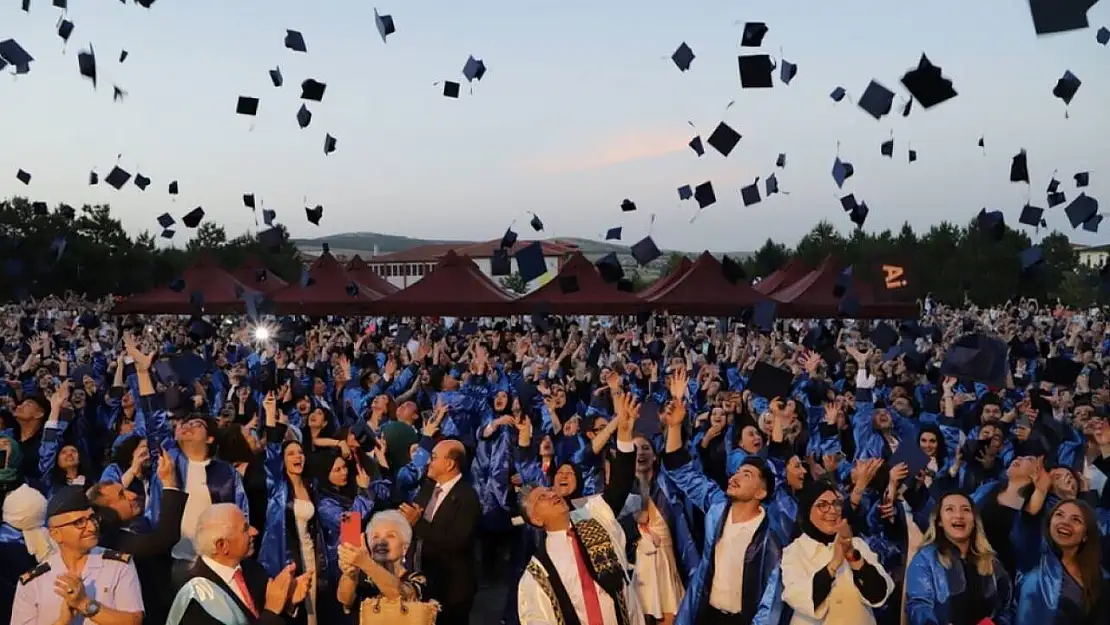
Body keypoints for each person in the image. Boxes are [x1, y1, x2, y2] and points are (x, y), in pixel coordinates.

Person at [659, 373, 783, 625]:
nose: (735, 477)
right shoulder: (717, 507)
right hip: (705, 614)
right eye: (736, 472)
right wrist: (674, 427)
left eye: (746, 474)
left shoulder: (771, 534)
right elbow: (681, 471)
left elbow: (771, 601)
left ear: (762, 492)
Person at [517, 389, 644, 625]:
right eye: (542, 497)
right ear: (535, 519)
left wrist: (624, 434)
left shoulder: (591, 512)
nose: (552, 494)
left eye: (549, 491)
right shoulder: (536, 575)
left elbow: (620, 486)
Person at [11, 486, 144, 625]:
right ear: (56, 534)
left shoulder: (118, 566)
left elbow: (134, 621)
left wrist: (85, 604)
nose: (92, 527)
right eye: (79, 522)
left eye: (92, 518)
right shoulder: (34, 583)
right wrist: (62, 621)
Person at [166, 503, 311, 625]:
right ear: (222, 545)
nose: (254, 532)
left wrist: (287, 603)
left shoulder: (253, 570)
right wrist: (271, 611)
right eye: (245, 529)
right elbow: (268, 616)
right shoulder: (197, 597)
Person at [89, 451, 188, 625]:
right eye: (121, 495)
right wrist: (170, 483)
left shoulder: (137, 526)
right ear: (105, 513)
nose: (132, 495)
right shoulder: (112, 541)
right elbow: (164, 539)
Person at [780, 481, 895, 625]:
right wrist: (833, 565)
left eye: (835, 503)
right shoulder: (794, 551)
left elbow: (879, 594)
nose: (832, 510)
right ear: (807, 511)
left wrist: (852, 555)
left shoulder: (858, 544)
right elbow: (799, 596)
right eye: (822, 505)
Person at [398, 438, 481, 625]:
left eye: (434, 458)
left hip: (451, 591)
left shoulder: (467, 498)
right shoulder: (428, 489)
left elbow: (457, 541)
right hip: (421, 583)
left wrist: (418, 522)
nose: (429, 462)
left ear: (450, 463)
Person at [904, 491, 1013, 625]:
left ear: (974, 521)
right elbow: (918, 608)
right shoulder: (925, 560)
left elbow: (1008, 607)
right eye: (950, 509)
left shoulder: (991, 562)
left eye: (965, 510)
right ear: (939, 521)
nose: (959, 515)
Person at [1015, 500, 1107, 625]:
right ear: (1049, 524)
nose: (1065, 522)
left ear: (1085, 535)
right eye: (1059, 515)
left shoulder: (1100, 575)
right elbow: (1027, 524)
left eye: (1076, 520)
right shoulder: (1034, 560)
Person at [335, 510, 429, 617]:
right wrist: (351, 574)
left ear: (405, 547)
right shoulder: (364, 577)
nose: (381, 542)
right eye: (375, 537)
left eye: (390, 536)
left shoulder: (418, 579)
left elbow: (403, 599)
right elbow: (345, 601)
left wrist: (366, 563)